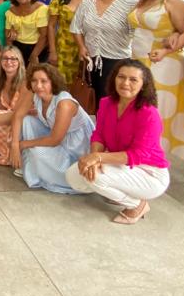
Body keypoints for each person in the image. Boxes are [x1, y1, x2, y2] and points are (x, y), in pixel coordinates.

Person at [66, 61, 170, 224]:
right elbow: (99, 135)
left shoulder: (149, 113)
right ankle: (122, 191)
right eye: (121, 77)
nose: (125, 83)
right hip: (121, 164)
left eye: (133, 79)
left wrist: (99, 158)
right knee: (73, 176)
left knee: (97, 178)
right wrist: (94, 157)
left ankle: (137, 204)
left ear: (143, 85)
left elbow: (138, 154)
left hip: (150, 173)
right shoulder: (106, 103)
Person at [129, 0, 184, 159]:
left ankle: (155, 157)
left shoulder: (172, 1)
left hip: (165, 64)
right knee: (142, 111)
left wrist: (166, 50)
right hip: (139, 62)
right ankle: (142, 153)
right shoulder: (141, 2)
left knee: (159, 111)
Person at [11, 64, 94, 193]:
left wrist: (23, 144)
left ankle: (55, 174)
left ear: (53, 82)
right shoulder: (35, 93)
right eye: (34, 81)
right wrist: (14, 145)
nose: (38, 86)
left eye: (44, 81)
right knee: (27, 120)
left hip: (76, 148)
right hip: (57, 136)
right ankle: (33, 167)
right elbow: (18, 115)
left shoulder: (64, 103)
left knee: (36, 151)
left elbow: (55, 140)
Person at [70, 0, 137, 103]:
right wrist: (81, 47)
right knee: (99, 100)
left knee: (118, 99)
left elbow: (138, 29)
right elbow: (76, 27)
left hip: (118, 60)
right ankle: (102, 124)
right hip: (92, 60)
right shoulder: (87, 2)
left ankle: (117, 124)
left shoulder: (130, 3)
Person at [48, 0, 88, 84]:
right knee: (61, 84)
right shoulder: (58, 1)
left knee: (83, 85)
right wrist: (52, 51)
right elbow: (51, 26)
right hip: (63, 50)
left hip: (87, 49)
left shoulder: (93, 1)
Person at [5, 0, 49, 64]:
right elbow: (7, 36)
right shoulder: (10, 12)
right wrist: (12, 53)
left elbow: (44, 35)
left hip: (37, 48)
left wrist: (34, 55)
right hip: (17, 47)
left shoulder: (41, 9)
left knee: (34, 74)